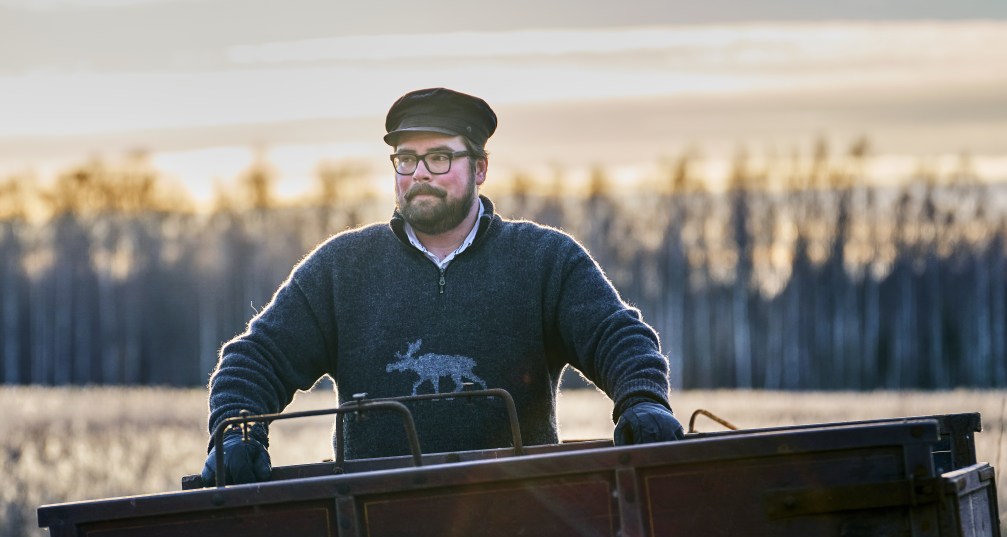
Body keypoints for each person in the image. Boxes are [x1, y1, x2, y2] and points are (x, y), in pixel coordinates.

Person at [203, 87, 684, 485]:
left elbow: (616, 335)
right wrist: (237, 434)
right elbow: (256, 358)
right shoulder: (341, 268)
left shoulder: (545, 259)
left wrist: (642, 400)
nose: (419, 175)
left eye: (439, 158)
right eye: (406, 159)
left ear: (480, 168)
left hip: (524, 515)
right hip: (375, 522)